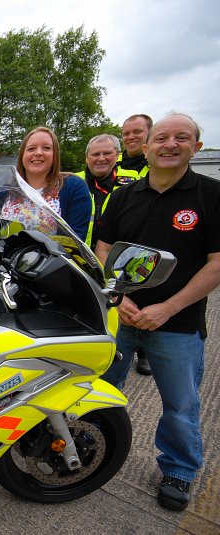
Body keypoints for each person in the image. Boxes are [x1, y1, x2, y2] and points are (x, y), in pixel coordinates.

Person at [95, 113, 220, 512]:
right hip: (123, 317)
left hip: (177, 324)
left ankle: (179, 470)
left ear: (196, 148)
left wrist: (168, 307)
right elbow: (103, 247)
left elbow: (216, 263)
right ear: (145, 148)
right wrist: (120, 299)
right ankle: (96, 446)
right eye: (160, 138)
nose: (170, 144)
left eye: (181, 138)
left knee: (180, 405)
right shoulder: (125, 195)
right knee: (100, 389)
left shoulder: (211, 195)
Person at [4, 127, 92, 241]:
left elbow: (74, 242)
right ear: (22, 156)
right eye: (31, 149)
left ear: (55, 155)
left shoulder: (73, 187)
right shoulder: (6, 190)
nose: (38, 153)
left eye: (46, 148)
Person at [117, 113, 154, 375]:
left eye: (137, 132)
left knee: (144, 290)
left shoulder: (156, 166)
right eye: (127, 133)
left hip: (146, 241)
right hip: (115, 238)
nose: (130, 137)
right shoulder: (113, 164)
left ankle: (144, 352)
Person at [74, 134, 121, 247]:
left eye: (107, 153)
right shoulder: (71, 182)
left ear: (118, 155)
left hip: (115, 256)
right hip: (78, 254)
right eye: (95, 154)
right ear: (86, 157)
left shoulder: (134, 183)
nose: (101, 158)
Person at [118, 113, 153, 181]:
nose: (130, 137)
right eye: (126, 134)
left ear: (151, 133)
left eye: (137, 132)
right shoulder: (110, 162)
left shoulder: (161, 163)